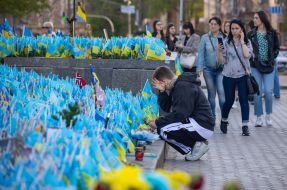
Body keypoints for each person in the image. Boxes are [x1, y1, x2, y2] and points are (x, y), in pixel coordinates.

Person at [146, 66, 214, 161]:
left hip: (202, 125)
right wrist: (162, 91)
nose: (157, 87)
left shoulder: (182, 86)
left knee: (162, 129)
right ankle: (196, 144)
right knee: (163, 125)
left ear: (164, 81)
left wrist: (157, 122)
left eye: (158, 84)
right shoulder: (177, 85)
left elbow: (180, 114)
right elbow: (166, 107)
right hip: (198, 122)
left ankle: (196, 146)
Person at [218, 19, 253, 136]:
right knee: (229, 100)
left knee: (243, 100)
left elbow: (247, 55)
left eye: (237, 28)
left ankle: (245, 126)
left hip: (243, 75)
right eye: (232, 28)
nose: (234, 31)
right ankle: (224, 120)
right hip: (228, 75)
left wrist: (242, 41)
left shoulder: (247, 42)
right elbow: (221, 61)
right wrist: (219, 51)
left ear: (241, 29)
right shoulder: (226, 42)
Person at [247, 11, 280, 127]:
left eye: (256, 18)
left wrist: (272, 58)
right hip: (255, 66)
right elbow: (247, 49)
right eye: (254, 18)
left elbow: (276, 47)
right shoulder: (250, 34)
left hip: (269, 66)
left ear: (262, 19)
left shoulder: (272, 33)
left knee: (268, 92)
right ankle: (259, 117)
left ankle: (269, 115)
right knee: (257, 92)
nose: (254, 20)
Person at [197, 17, 225, 118]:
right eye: (211, 24)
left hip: (221, 70)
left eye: (215, 24)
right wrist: (199, 68)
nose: (213, 26)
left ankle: (224, 117)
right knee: (211, 95)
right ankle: (212, 116)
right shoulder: (204, 37)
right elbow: (201, 53)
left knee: (222, 94)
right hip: (208, 70)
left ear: (219, 26)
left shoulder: (223, 37)